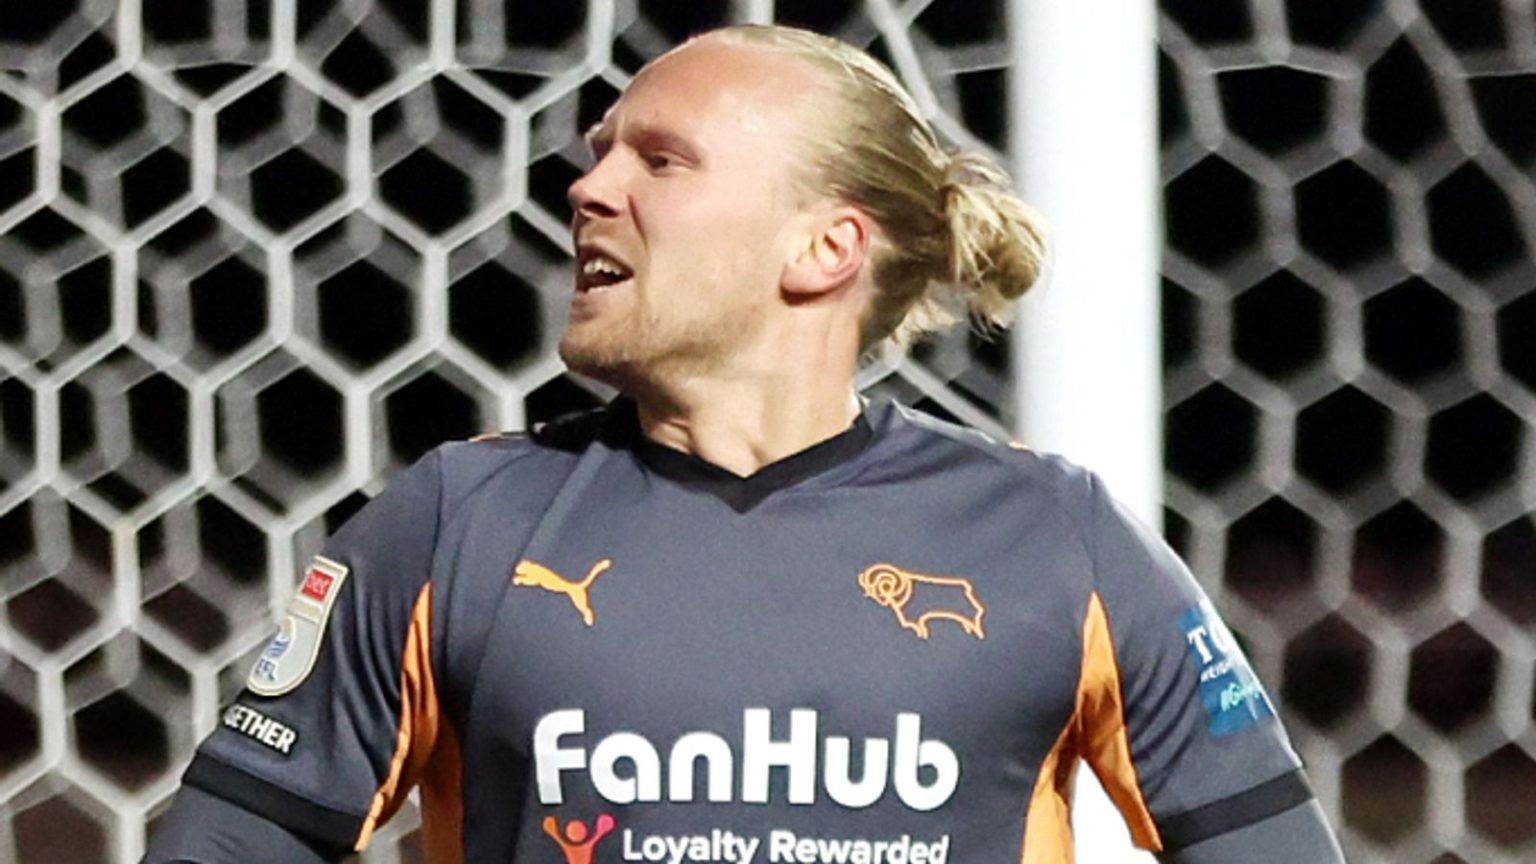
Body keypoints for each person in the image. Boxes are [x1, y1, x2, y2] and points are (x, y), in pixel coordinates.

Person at [143, 24, 1345, 864]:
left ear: (825, 249)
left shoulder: (1050, 539)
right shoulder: (459, 521)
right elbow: (234, 841)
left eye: (660, 160)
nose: (588, 189)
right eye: (601, 151)